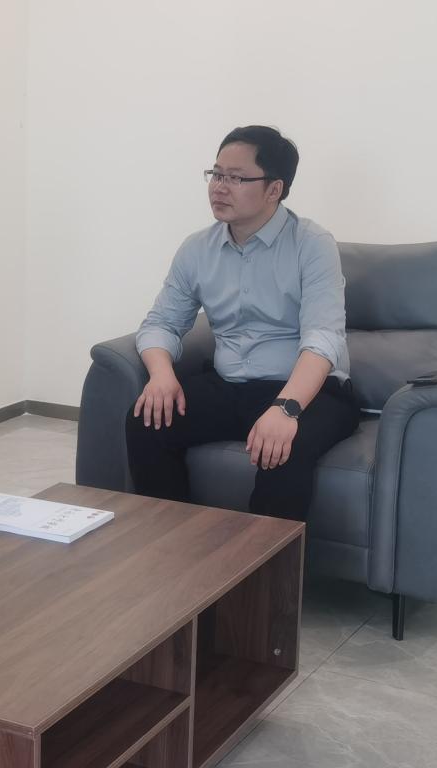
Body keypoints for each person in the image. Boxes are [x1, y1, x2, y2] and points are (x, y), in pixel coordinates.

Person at [125, 126, 359, 521]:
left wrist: (285, 408)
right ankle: (175, 544)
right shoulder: (198, 248)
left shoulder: (312, 244)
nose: (219, 187)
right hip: (230, 385)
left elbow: (323, 338)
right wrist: (161, 375)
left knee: (283, 449)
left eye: (236, 178)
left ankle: (264, 562)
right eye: (216, 174)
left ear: (274, 189)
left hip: (308, 392)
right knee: (145, 421)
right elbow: (161, 323)